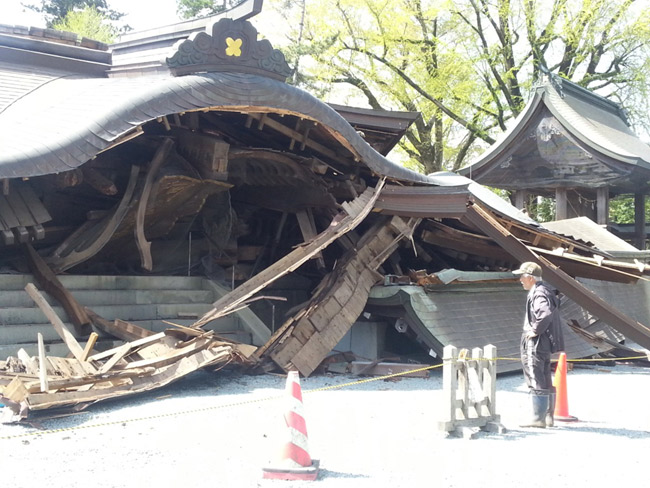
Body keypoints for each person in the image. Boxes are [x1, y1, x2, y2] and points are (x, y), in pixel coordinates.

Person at [513, 261, 565, 428]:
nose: (520, 279)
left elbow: (544, 314)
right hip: (544, 342)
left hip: (535, 342)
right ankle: (548, 418)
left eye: (522, 276)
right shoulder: (546, 290)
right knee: (544, 376)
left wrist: (534, 330)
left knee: (535, 377)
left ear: (530, 278)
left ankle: (538, 419)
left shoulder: (538, 293)